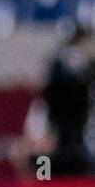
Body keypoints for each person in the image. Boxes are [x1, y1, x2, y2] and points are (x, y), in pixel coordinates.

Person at [19, 25, 94, 177]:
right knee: (41, 160)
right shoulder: (43, 106)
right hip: (56, 156)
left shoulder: (90, 100)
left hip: (87, 158)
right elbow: (35, 141)